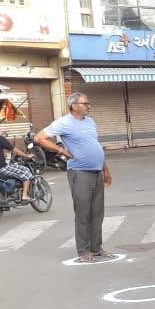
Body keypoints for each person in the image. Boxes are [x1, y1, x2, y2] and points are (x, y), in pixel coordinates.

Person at [35, 92, 114, 263]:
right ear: (74, 106)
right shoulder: (64, 123)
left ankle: (96, 247)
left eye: (88, 103)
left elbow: (95, 146)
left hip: (96, 171)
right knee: (83, 212)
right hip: (79, 172)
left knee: (97, 213)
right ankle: (84, 250)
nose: (89, 106)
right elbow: (39, 138)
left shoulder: (90, 122)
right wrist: (60, 150)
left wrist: (105, 169)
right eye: (85, 103)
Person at [0, 119, 33, 201]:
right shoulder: (0, 138)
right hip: (1, 168)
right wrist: (27, 156)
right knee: (26, 171)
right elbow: (14, 150)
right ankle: (24, 195)